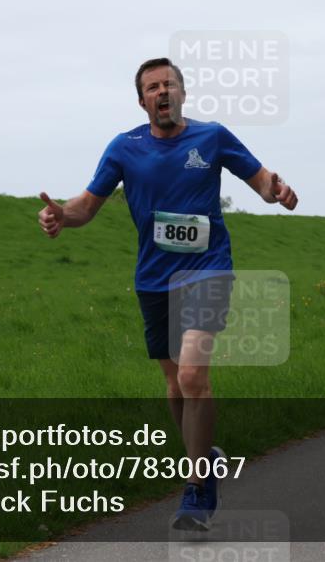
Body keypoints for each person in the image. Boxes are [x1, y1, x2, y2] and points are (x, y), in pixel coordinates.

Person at [37, 57, 298, 530]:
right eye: (153, 87)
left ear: (183, 93)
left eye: (169, 84)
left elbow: (260, 179)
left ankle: (197, 488)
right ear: (142, 101)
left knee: (194, 375)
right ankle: (205, 457)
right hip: (154, 280)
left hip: (207, 271)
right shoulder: (125, 147)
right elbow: (86, 206)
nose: (162, 92)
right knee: (176, 385)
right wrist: (61, 215)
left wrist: (275, 191)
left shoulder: (212, 137)